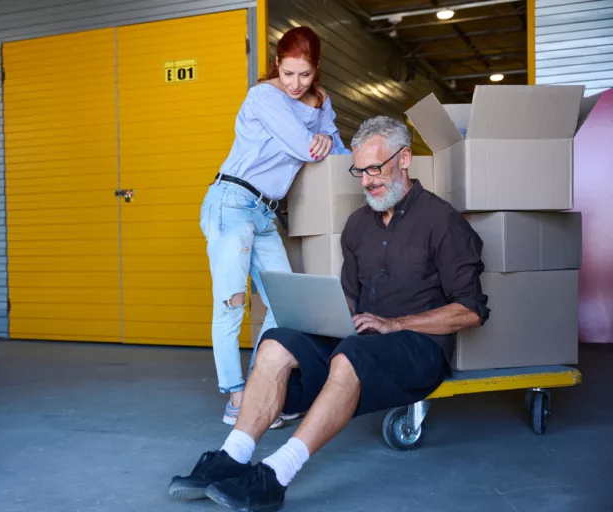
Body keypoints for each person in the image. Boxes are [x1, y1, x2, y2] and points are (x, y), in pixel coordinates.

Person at [170, 116, 490, 509]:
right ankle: (232, 456)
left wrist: (395, 324)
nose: (367, 180)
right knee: (276, 342)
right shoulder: (357, 226)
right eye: (359, 171)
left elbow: (471, 311)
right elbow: (351, 298)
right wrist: (320, 316)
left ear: (404, 158)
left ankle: (275, 476)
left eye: (376, 168)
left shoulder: (442, 221)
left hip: (417, 348)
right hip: (360, 338)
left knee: (350, 355)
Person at [199, 26, 351, 428]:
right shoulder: (263, 96)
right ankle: (236, 399)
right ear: (277, 68)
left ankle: (257, 389)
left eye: (303, 75)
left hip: (265, 214)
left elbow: (338, 154)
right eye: (287, 73)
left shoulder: (322, 103)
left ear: (316, 70)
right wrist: (316, 138)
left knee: (287, 306)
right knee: (231, 304)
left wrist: (326, 137)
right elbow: (302, 146)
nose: (295, 84)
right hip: (231, 203)